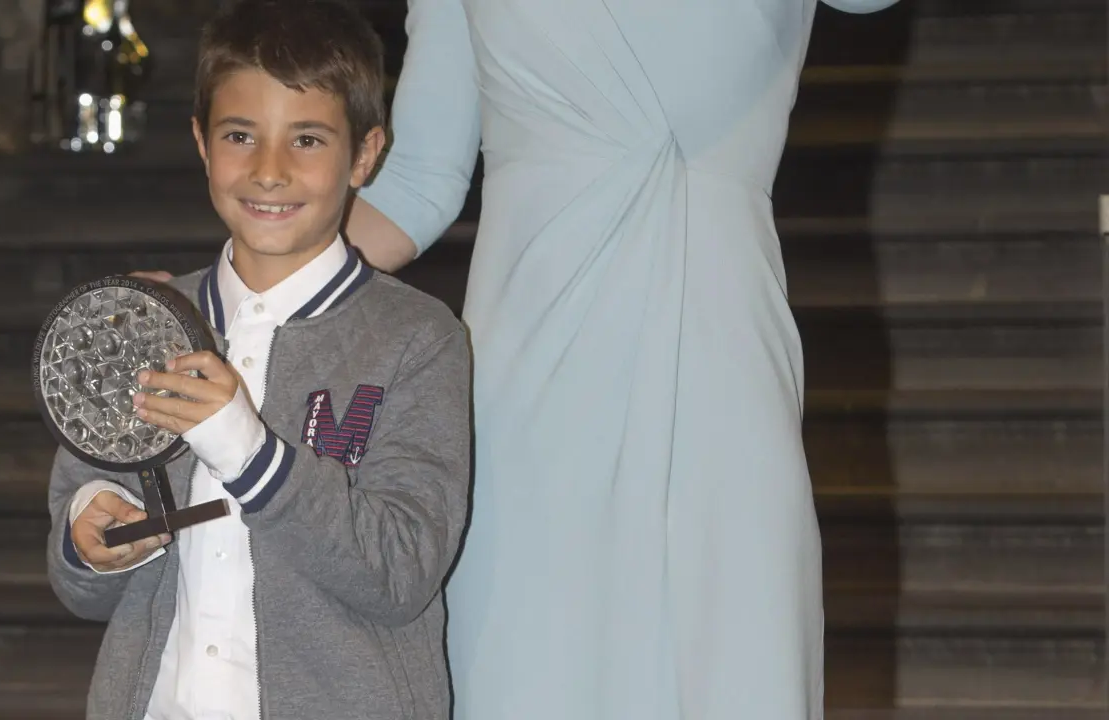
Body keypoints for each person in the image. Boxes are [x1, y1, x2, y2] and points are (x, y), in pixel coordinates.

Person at [137, 0, 904, 718]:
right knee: (531, 661)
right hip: (528, 382)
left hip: (721, 357)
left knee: (729, 650)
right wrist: (225, 303)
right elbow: (419, 181)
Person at [45, 2, 472, 719]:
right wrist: (90, 538)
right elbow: (80, 586)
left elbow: (401, 574)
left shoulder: (418, 340)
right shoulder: (140, 323)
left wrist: (249, 452)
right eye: (240, 136)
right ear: (202, 143)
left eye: (307, 139)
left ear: (364, 154)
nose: (269, 171)